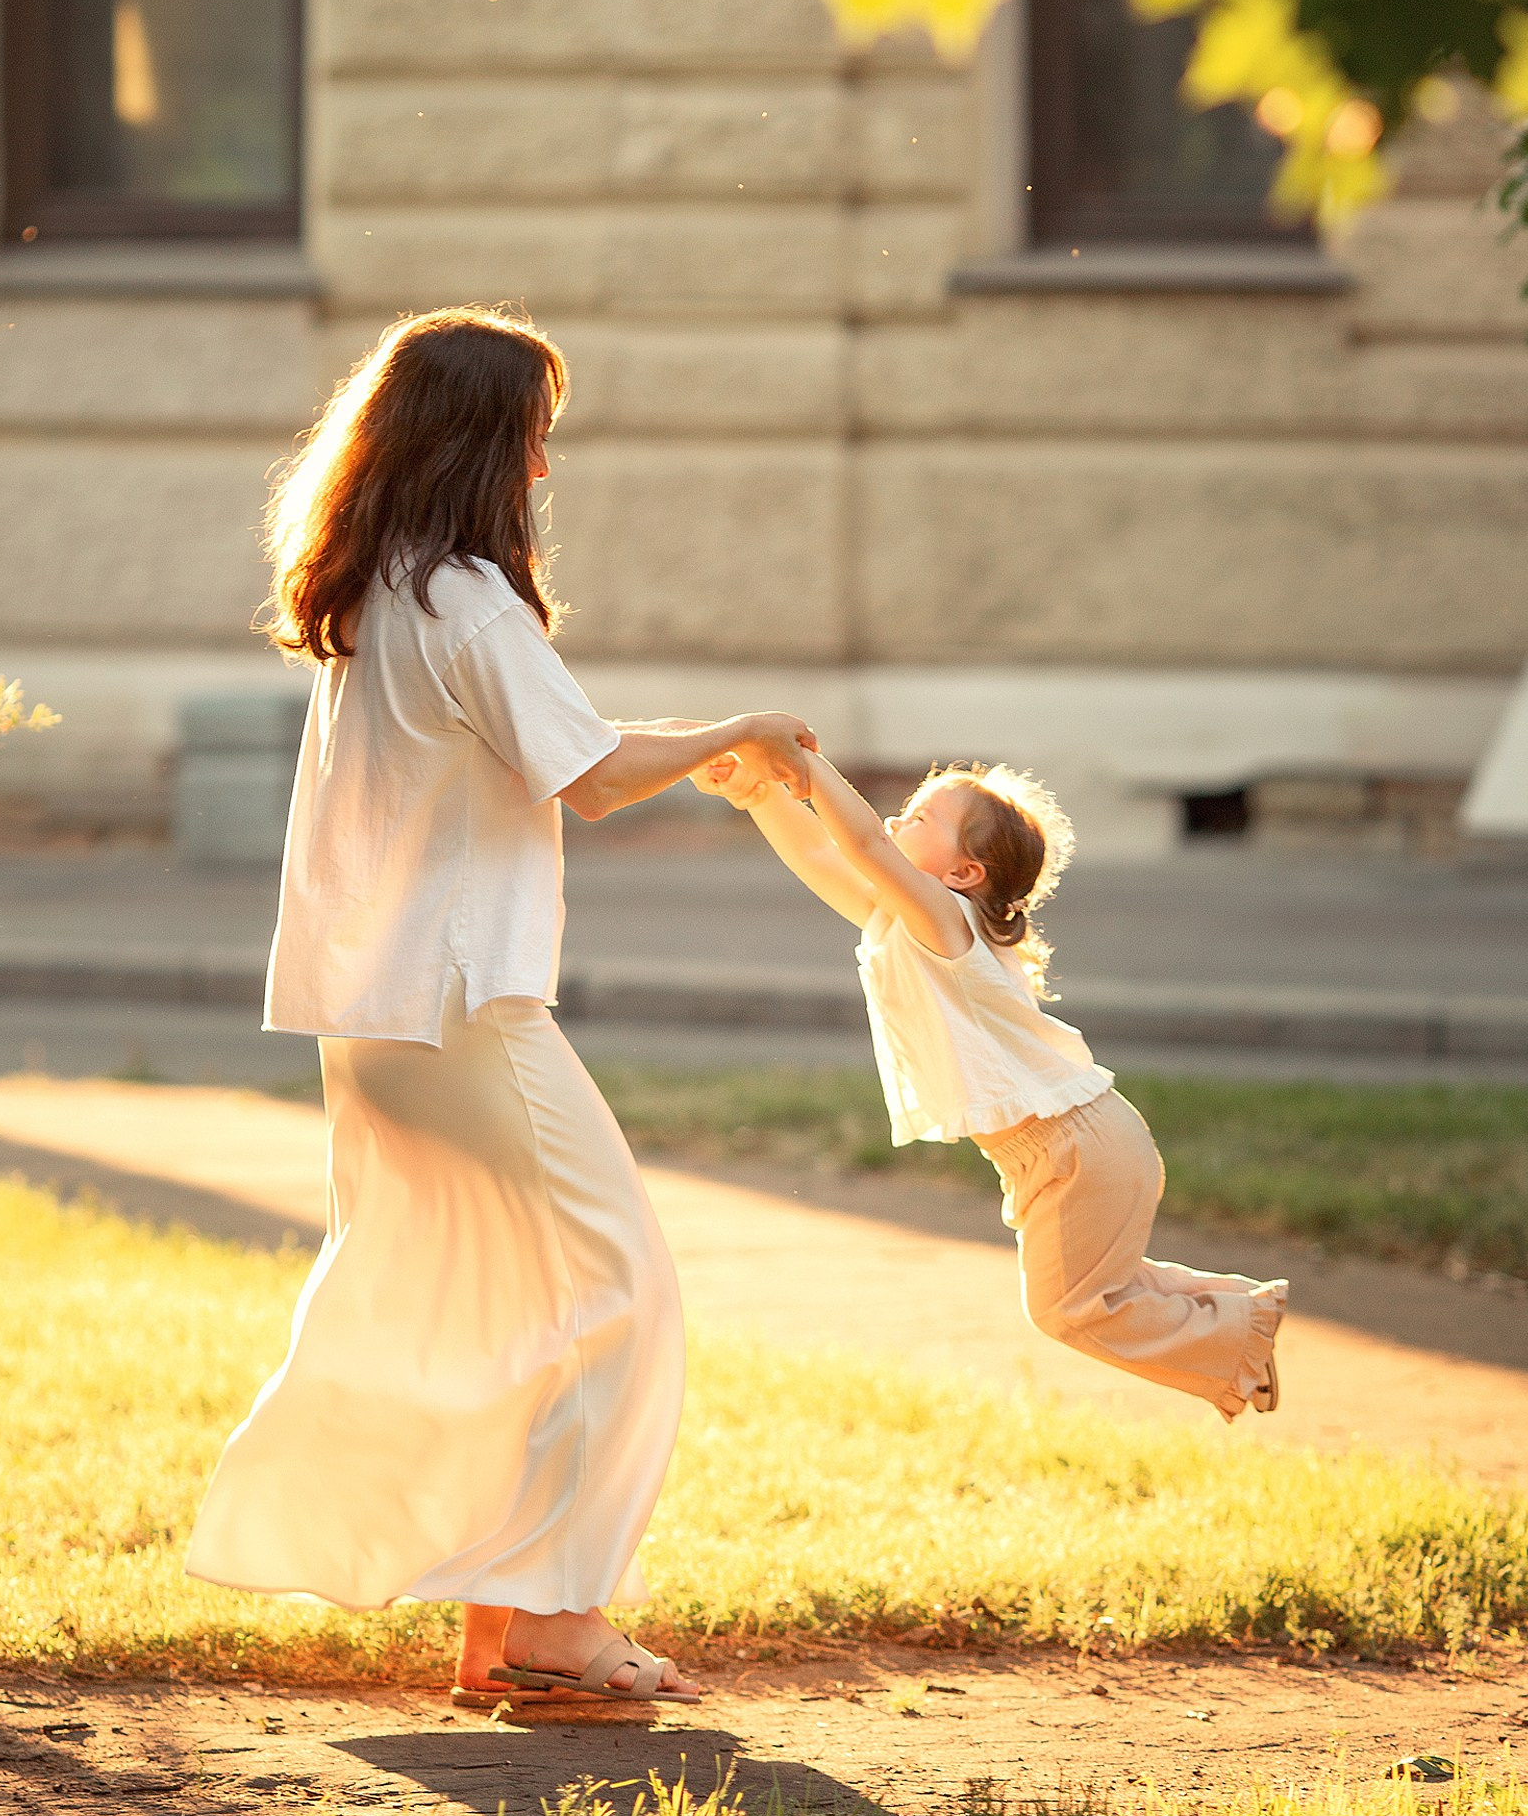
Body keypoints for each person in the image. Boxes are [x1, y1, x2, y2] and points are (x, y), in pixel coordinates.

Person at [185, 306, 817, 1706]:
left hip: (384, 1023)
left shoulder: (380, 593)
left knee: (495, 1308)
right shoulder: (463, 599)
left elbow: (563, 751)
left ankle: (505, 1630)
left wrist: (705, 742)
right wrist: (739, 734)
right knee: (623, 1291)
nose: (544, 470)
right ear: (485, 444)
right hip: (467, 1012)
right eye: (535, 438)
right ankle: (554, 1622)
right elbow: (586, 771)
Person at [695, 744, 1285, 1421]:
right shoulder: (907, 923)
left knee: (1067, 1310)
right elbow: (821, 857)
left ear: (963, 872)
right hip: (1059, 1150)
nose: (895, 821)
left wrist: (805, 771)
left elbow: (857, 843)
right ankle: (1242, 1319)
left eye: (918, 817)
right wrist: (759, 794)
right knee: (1092, 1289)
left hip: (1078, 1146)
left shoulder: (950, 921)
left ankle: (1239, 1339)